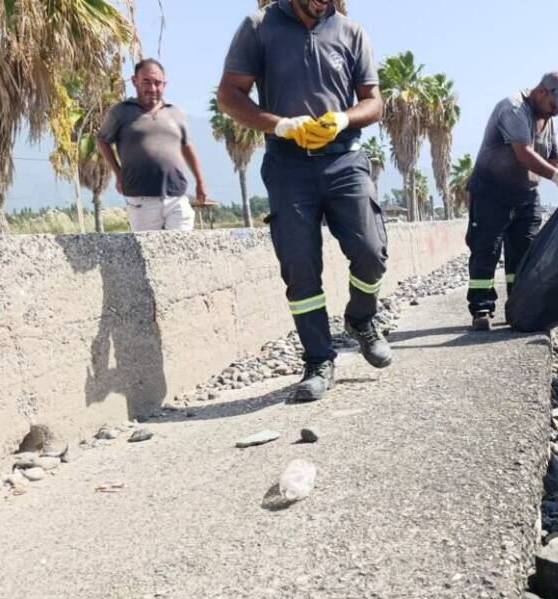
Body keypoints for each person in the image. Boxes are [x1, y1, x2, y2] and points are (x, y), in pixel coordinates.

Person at [217, 0, 390, 402]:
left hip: (345, 160)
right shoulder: (259, 26)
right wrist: (281, 125)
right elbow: (229, 94)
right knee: (300, 267)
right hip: (288, 165)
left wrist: (343, 119)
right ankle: (318, 360)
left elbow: (374, 101)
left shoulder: (350, 32)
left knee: (371, 250)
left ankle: (361, 319)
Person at [465, 72, 558, 331]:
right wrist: (557, 178)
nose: (556, 112)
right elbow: (524, 154)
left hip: (526, 195)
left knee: (526, 254)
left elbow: (556, 160)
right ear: (542, 92)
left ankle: (518, 307)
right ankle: (481, 307)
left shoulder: (549, 121)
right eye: (554, 105)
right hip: (491, 193)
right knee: (486, 250)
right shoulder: (514, 108)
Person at [97, 58, 209, 232]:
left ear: (164, 84)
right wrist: (119, 174)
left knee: (181, 247)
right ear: (135, 81)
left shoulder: (175, 112)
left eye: (157, 83)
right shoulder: (120, 112)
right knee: (148, 248)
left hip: (177, 197)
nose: (152, 88)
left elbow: (187, 146)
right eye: (146, 82)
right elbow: (102, 140)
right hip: (141, 200)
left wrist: (200, 181)